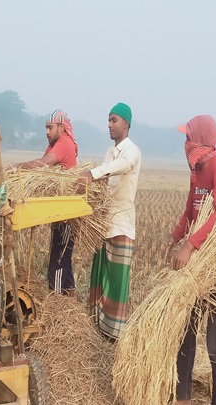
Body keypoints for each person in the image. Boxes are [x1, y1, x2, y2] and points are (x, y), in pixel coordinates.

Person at [162, 114, 216, 405]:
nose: (184, 144)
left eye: (187, 138)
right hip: (198, 261)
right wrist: (175, 236)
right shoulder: (196, 171)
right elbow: (190, 213)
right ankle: (183, 398)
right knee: (187, 330)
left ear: (200, 141)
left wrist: (190, 245)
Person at [78, 102, 141, 341]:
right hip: (104, 225)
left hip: (121, 225)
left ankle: (114, 336)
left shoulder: (131, 151)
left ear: (126, 123)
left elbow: (120, 167)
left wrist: (92, 174)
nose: (110, 125)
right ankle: (98, 329)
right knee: (100, 277)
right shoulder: (109, 151)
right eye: (108, 120)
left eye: (114, 120)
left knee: (116, 283)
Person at [15, 110, 79, 295]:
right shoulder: (54, 144)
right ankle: (69, 296)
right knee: (62, 254)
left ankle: (56, 300)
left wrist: (16, 168)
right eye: (46, 128)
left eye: (50, 127)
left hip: (67, 212)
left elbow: (43, 164)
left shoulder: (64, 142)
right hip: (58, 209)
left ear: (61, 127)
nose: (47, 132)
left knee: (58, 259)